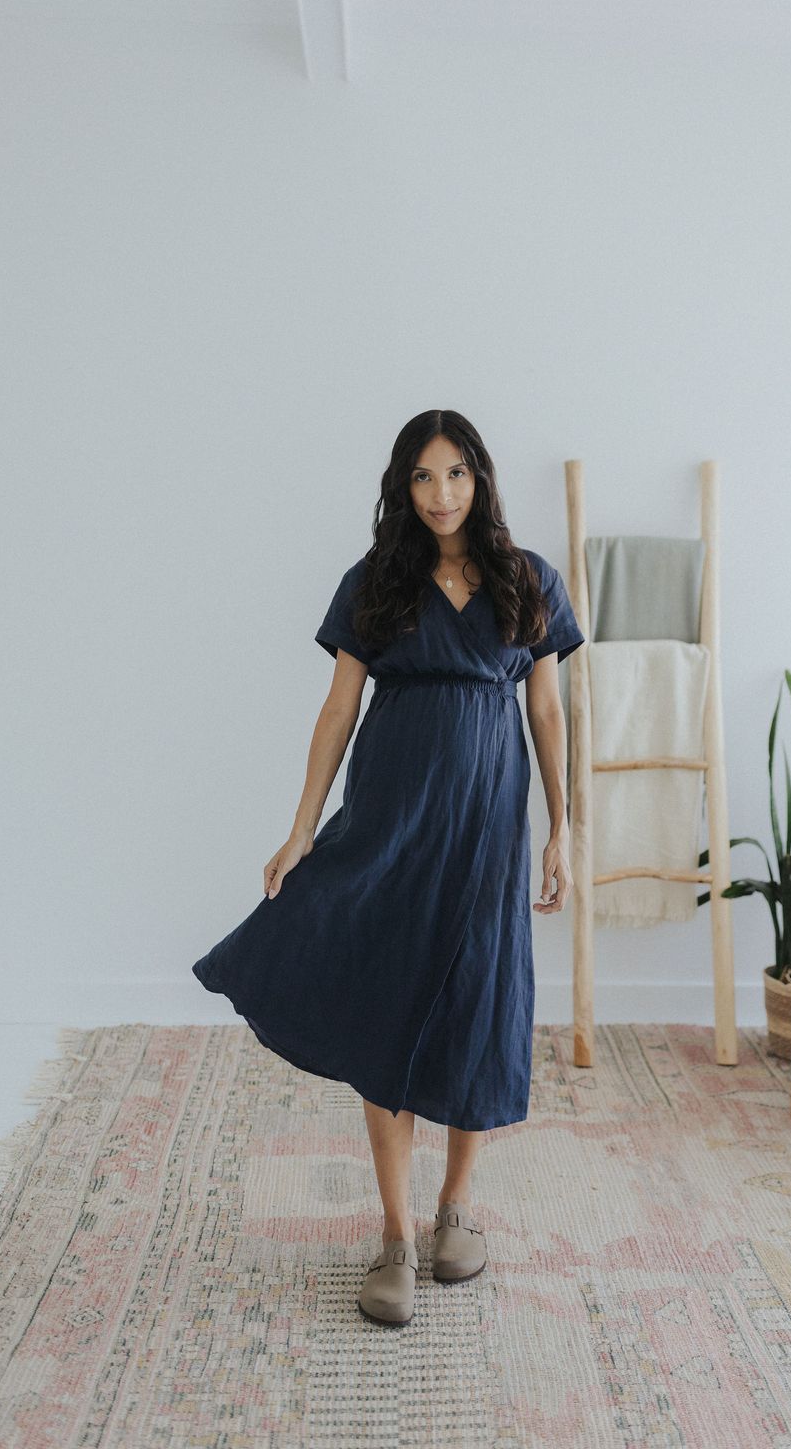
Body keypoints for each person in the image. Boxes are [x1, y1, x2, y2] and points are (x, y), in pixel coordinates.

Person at [192, 408, 585, 1325]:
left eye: (455, 474)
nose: (440, 494)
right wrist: (299, 830)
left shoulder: (528, 581)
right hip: (392, 820)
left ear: (479, 478)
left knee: (480, 1002)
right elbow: (336, 711)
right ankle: (397, 1236)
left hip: (489, 828)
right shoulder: (376, 581)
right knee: (388, 1000)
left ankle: (458, 1213)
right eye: (421, 477)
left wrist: (563, 829)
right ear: (400, 487)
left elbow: (550, 716)